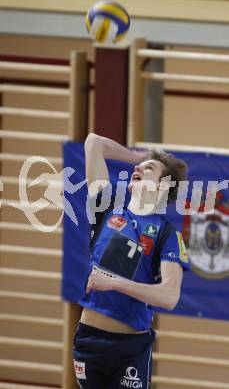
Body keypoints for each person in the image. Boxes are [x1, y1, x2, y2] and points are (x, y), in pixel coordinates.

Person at [72, 133, 189, 389]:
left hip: (129, 350)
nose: (137, 169)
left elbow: (169, 297)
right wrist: (142, 158)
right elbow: (94, 143)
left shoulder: (167, 235)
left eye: (149, 170)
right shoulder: (106, 208)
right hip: (89, 340)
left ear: (163, 186)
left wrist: (114, 283)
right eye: (139, 168)